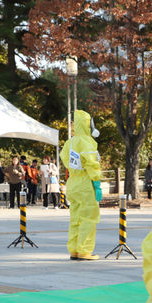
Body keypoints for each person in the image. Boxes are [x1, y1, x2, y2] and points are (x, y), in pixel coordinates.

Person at [60, 109, 102, 260]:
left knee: (75, 218)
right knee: (89, 218)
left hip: (72, 183)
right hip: (86, 184)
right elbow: (91, 164)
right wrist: (96, 183)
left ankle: (74, 249)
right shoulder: (87, 142)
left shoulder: (69, 143)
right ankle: (85, 250)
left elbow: (64, 159)